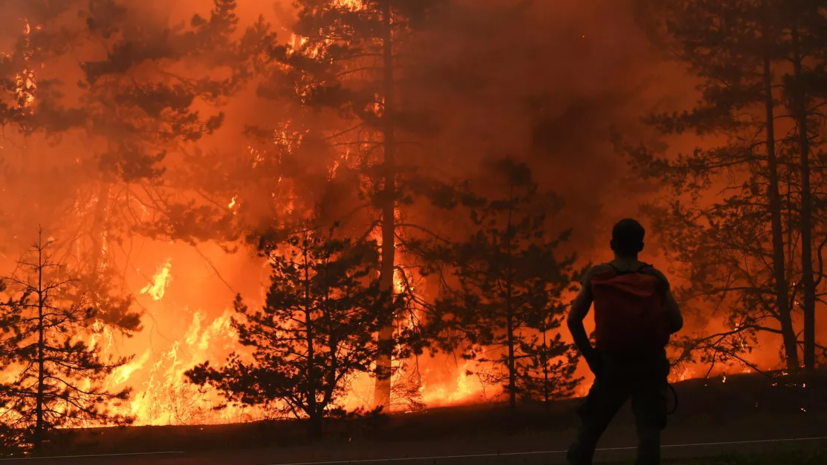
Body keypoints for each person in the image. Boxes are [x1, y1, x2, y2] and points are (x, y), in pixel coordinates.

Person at [566, 218, 683, 465]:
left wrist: (592, 359)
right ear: (641, 246)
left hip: (612, 366)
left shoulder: (598, 275)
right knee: (649, 432)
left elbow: (574, 320)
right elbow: (677, 321)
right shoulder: (655, 277)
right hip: (650, 365)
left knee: (590, 429)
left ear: (612, 244)